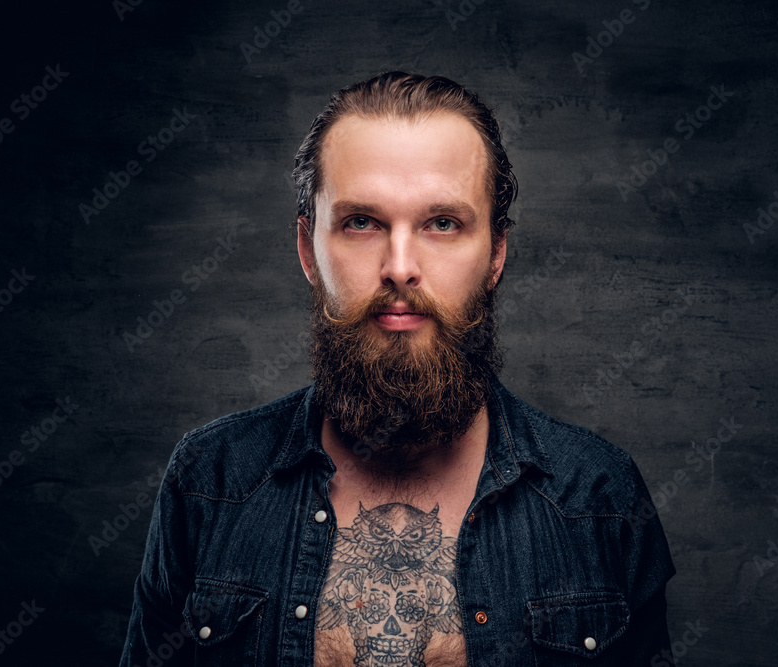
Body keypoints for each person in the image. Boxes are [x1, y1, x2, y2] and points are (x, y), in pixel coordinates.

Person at [119, 71, 675, 667]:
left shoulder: (600, 495)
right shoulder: (209, 481)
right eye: (362, 222)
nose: (400, 267)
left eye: (443, 223)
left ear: (496, 255)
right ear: (309, 251)